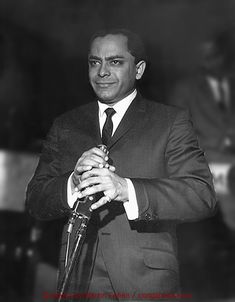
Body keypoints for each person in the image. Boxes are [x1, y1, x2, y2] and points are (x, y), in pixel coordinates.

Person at [26, 29, 216, 301]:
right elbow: (35, 201)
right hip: (79, 283)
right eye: (94, 62)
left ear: (138, 69)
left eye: (115, 62)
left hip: (146, 285)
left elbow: (201, 196)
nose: (102, 71)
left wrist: (128, 190)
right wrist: (72, 183)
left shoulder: (170, 122)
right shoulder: (66, 125)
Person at [168, 33, 235, 298]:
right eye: (203, 56)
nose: (209, 62)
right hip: (207, 177)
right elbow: (177, 141)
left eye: (214, 55)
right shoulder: (184, 90)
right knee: (202, 252)